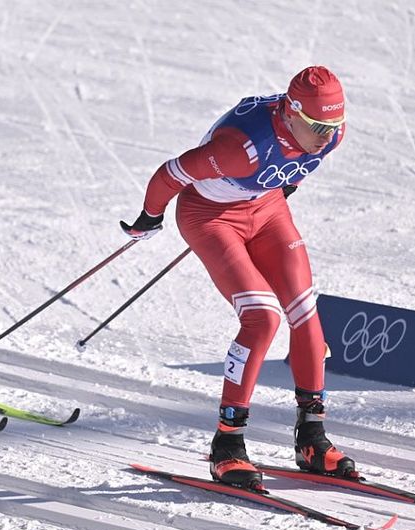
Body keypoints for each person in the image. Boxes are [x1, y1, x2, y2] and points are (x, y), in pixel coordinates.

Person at [121, 66, 356, 489]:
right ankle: (227, 446)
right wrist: (149, 217)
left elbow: (294, 170)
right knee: (262, 318)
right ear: (291, 112)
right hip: (209, 217)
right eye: (319, 125)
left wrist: (281, 185)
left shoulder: (329, 134)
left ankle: (313, 439)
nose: (327, 136)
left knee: (305, 310)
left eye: (335, 124)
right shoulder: (241, 148)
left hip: (265, 211)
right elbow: (171, 174)